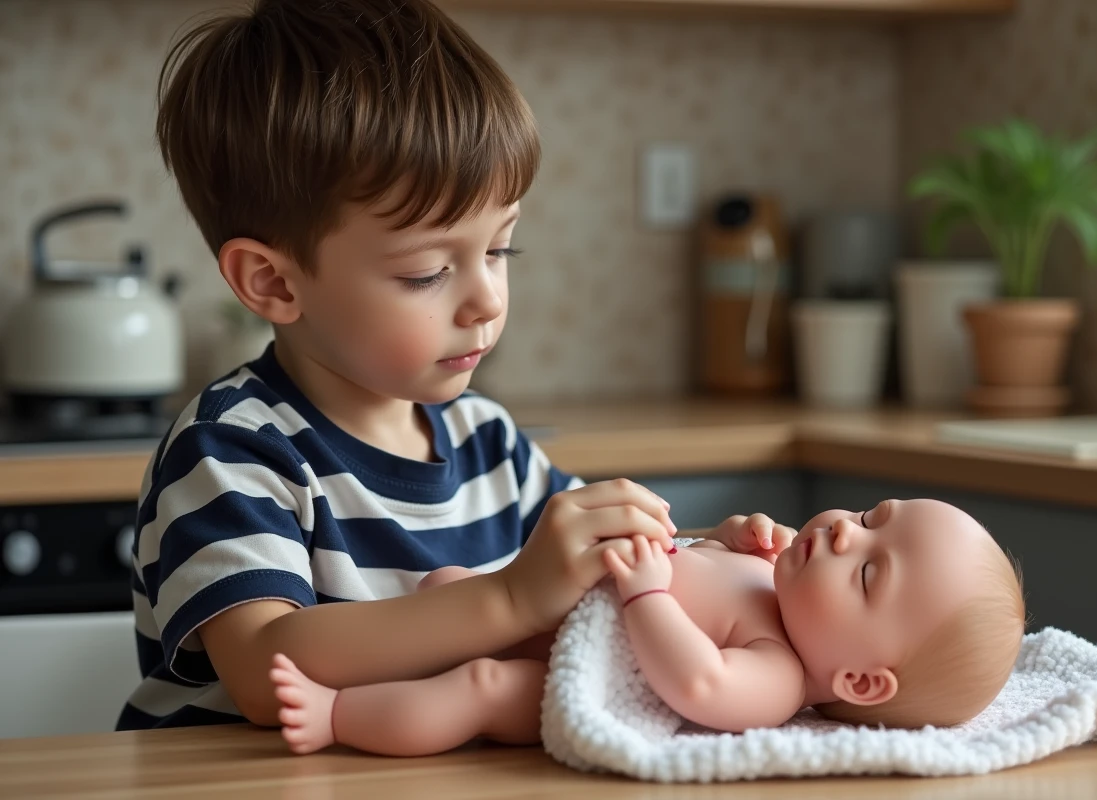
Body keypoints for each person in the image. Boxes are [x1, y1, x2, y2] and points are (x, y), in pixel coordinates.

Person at [116, 0, 787, 731]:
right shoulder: (230, 449)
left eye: (500, 249)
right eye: (428, 272)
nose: (487, 299)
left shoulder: (487, 440)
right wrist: (509, 599)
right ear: (274, 282)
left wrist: (703, 554)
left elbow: (591, 568)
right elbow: (263, 666)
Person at [269, 499, 1026, 755]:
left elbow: (698, 681)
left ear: (859, 680)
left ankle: (338, 716)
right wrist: (729, 537)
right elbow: (703, 561)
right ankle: (379, 667)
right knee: (447, 587)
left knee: (481, 686)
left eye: (865, 572)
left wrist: (646, 597)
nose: (842, 533)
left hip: (571, 675)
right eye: (868, 517)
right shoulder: (774, 577)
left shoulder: (778, 674)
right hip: (540, 611)